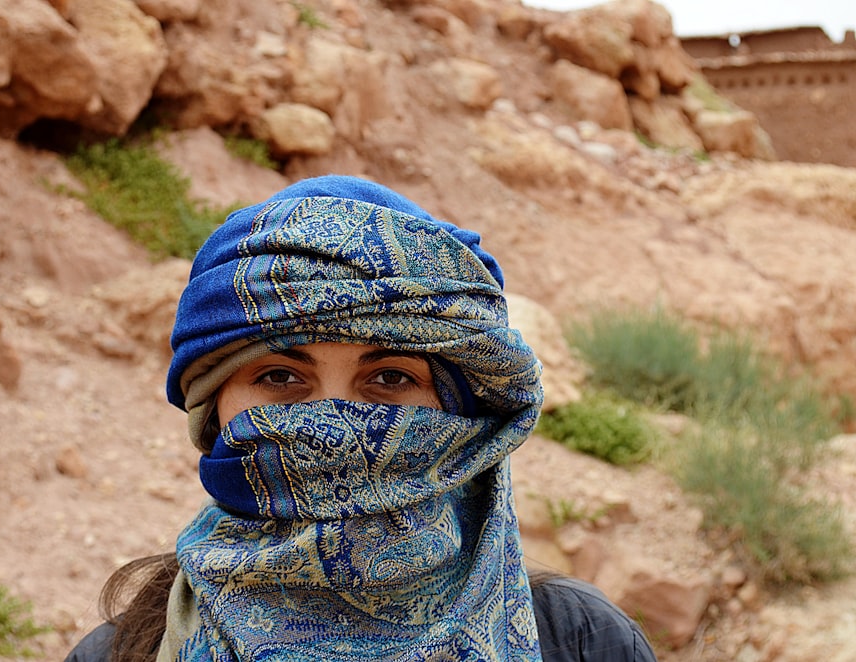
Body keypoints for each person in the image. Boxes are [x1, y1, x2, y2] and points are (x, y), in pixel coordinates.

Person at [65, 175, 657, 661]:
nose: (332, 421)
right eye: (278, 377)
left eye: (390, 379)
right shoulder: (122, 654)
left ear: (457, 412)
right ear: (213, 405)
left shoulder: (584, 642)